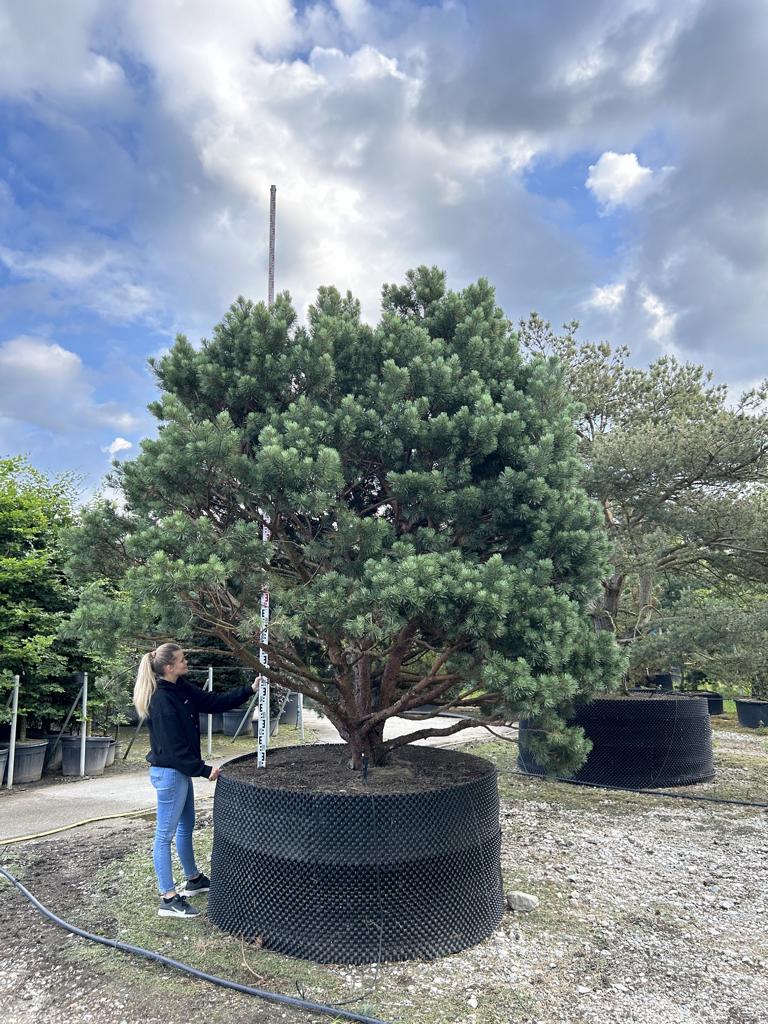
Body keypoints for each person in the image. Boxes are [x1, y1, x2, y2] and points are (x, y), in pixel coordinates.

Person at [134, 642, 259, 918]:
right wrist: (203, 770)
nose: (186, 662)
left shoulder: (181, 689)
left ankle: (193, 879)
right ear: (169, 667)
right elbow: (174, 749)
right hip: (170, 773)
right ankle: (168, 898)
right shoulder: (162, 700)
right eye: (182, 659)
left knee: (186, 824)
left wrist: (249, 690)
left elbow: (214, 702)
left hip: (179, 772)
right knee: (164, 835)